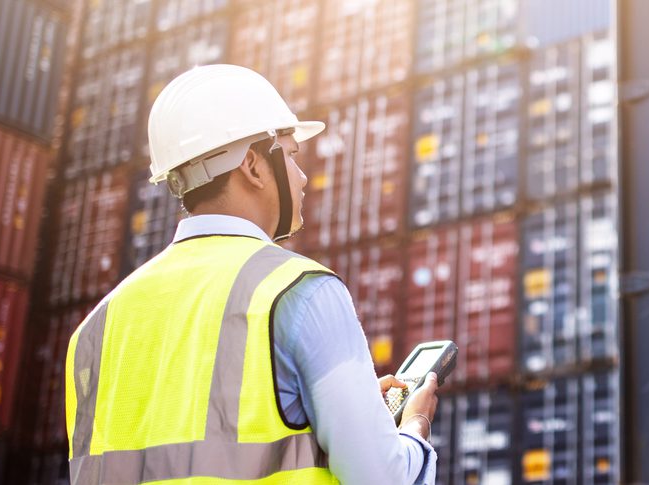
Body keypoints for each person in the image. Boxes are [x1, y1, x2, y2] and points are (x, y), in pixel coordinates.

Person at [64, 64, 439, 484]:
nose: (302, 177)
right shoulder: (300, 292)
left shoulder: (92, 331)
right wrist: (414, 426)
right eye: (293, 155)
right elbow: (381, 478)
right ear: (253, 166)